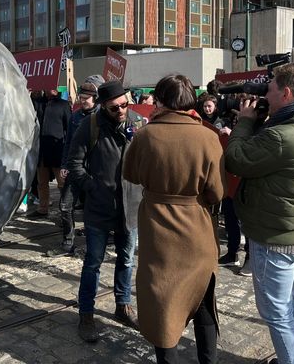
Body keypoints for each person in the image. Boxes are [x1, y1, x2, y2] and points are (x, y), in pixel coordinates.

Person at [225, 63, 294, 364]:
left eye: (271, 88)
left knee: (277, 314)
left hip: (273, 237)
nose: (267, 93)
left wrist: (247, 122)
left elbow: (236, 159)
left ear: (286, 93)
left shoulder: (282, 136)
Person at [124, 74, 224, 364]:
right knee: (205, 302)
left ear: (161, 100)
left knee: (162, 305)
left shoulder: (145, 135)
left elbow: (130, 174)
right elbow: (216, 192)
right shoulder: (208, 136)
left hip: (158, 233)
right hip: (198, 231)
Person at [67, 80, 141, 343]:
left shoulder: (138, 123)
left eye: (124, 105)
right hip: (99, 208)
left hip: (130, 207)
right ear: (103, 107)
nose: (121, 111)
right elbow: (74, 163)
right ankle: (86, 313)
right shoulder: (91, 125)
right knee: (93, 262)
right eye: (114, 108)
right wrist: (93, 188)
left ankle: (123, 305)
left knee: (127, 260)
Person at [57, 79, 103, 254]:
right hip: (74, 168)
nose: (82, 101)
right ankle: (68, 241)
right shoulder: (75, 116)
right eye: (81, 97)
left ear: (95, 99)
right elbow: (68, 142)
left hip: (93, 170)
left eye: (86, 98)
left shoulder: (101, 116)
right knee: (65, 206)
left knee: (92, 208)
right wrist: (64, 164)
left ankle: (94, 243)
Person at [29, 88, 70, 218]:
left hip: (58, 150)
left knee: (62, 183)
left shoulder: (63, 105)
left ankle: (65, 210)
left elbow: (68, 127)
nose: (50, 90)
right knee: (42, 182)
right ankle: (43, 208)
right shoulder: (38, 102)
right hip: (41, 151)